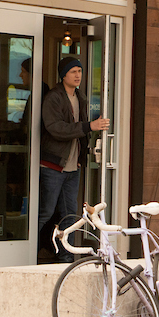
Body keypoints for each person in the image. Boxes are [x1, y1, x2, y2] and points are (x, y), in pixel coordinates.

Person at [38, 55, 109, 262]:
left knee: (70, 214)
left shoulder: (82, 98)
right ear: (63, 76)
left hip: (72, 167)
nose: (78, 75)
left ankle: (66, 256)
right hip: (52, 166)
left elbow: (80, 133)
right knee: (45, 212)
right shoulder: (54, 97)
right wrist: (89, 126)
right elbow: (55, 128)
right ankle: (32, 252)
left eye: (79, 71)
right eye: (73, 71)